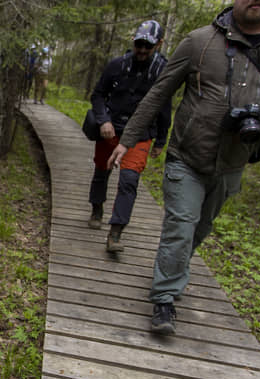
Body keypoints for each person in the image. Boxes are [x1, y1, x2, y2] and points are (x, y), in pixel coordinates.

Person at [107, 0, 260, 335]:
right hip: (187, 156)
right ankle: (164, 298)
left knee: (200, 228)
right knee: (181, 223)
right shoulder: (199, 42)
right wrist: (128, 140)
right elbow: (158, 94)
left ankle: (171, 266)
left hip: (234, 162)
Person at [87, 20, 172, 254]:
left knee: (129, 181)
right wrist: (103, 119)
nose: (142, 50)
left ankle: (115, 233)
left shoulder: (162, 72)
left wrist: (161, 140)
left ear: (159, 44)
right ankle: (96, 208)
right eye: (139, 44)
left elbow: (165, 107)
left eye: (148, 46)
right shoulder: (117, 65)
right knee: (101, 172)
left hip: (141, 135)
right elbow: (98, 94)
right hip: (111, 130)